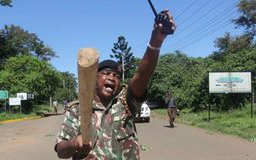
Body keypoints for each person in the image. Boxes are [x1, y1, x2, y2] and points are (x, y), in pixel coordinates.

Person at [55, 10, 176, 159]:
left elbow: (142, 75)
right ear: (93, 79)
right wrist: (74, 143)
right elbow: (61, 151)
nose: (112, 78)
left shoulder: (126, 103)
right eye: (106, 73)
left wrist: (156, 41)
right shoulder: (77, 109)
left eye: (117, 76)